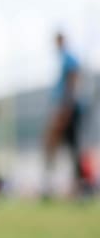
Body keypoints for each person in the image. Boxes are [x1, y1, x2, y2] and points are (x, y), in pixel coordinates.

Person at [43, 32, 85, 197]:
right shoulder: (63, 58)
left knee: (67, 146)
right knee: (65, 146)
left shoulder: (69, 58)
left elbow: (72, 83)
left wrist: (65, 109)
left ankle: (79, 186)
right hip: (64, 107)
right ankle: (56, 184)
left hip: (67, 109)